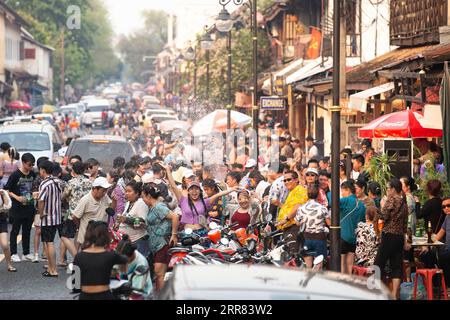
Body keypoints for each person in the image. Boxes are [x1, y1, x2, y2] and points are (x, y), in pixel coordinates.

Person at [162, 163, 235, 234]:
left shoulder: (205, 201)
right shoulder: (183, 200)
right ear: (188, 191)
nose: (194, 191)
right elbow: (174, 186)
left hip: (201, 232)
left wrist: (233, 189)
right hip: (186, 233)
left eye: (196, 189)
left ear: (200, 191)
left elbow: (218, 194)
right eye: (191, 189)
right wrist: (168, 170)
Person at [73, 221, 128, 300]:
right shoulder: (111, 255)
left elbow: (75, 285)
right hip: (104, 295)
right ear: (106, 236)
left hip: (85, 296)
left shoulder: (79, 257)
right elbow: (126, 260)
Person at [374, 178, 409, 300]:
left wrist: (381, 206)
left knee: (378, 263)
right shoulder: (404, 204)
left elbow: (383, 216)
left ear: (393, 189)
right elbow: (405, 226)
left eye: (388, 188)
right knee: (396, 266)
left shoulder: (391, 200)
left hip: (389, 235)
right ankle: (394, 295)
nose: (387, 191)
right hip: (399, 237)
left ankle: (376, 293)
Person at [142, 184, 179, 292]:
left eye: (143, 196)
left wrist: (174, 235)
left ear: (149, 196)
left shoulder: (159, 207)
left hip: (163, 243)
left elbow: (175, 217)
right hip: (156, 245)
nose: (143, 200)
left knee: (159, 272)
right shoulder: (152, 207)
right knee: (158, 274)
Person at [5, 153, 36, 263]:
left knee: (27, 230)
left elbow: (35, 187)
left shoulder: (33, 174)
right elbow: (6, 190)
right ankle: (13, 253)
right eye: (29, 165)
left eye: (32, 165)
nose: (31, 167)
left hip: (29, 207)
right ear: (23, 163)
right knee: (15, 231)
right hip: (17, 207)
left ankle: (26, 253)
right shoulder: (15, 175)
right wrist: (16, 197)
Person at [294, 184, 330, 269]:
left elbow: (297, 222)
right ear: (318, 194)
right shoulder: (322, 208)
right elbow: (329, 223)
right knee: (319, 265)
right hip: (319, 238)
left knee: (308, 265)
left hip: (306, 238)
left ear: (307, 194)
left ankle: (308, 279)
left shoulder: (301, 208)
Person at [61, 161, 92, 258]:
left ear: (73, 170)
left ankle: (77, 257)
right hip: (86, 213)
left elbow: (63, 196)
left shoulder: (71, 182)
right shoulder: (90, 182)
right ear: (84, 170)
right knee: (79, 236)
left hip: (73, 214)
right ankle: (75, 258)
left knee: (64, 236)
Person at [37, 160, 63, 277]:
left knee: (49, 243)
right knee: (50, 241)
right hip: (57, 216)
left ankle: (53, 270)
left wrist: (41, 213)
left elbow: (41, 200)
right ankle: (51, 268)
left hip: (47, 217)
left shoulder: (44, 183)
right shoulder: (58, 181)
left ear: (43, 170)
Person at [72, 177, 113, 246]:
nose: (105, 193)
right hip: (88, 238)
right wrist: (81, 227)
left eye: (106, 191)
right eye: (103, 191)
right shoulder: (85, 200)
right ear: (95, 189)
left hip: (100, 236)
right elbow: (75, 217)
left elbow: (111, 209)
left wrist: (115, 201)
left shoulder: (105, 197)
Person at [275, 171, 308, 253]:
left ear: (296, 180)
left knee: (292, 255)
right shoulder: (292, 191)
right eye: (284, 180)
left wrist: (286, 218)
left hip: (294, 227)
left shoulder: (300, 190)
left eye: (289, 179)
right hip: (288, 228)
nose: (286, 182)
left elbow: (298, 206)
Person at [116, 181, 149, 257]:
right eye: (125, 191)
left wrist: (125, 219)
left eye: (129, 191)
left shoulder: (141, 203)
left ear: (137, 193)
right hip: (129, 240)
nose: (126, 193)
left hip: (138, 240)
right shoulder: (128, 203)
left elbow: (141, 221)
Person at [339, 180, 366, 275]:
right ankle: (350, 280)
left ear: (347, 190)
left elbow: (332, 204)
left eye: (342, 191)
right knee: (350, 263)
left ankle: (342, 283)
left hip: (343, 235)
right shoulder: (362, 205)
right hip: (354, 238)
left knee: (342, 262)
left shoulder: (345, 200)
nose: (342, 194)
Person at [115, 235, 153, 299]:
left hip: (140, 295)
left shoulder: (141, 264)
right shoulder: (119, 255)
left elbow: (136, 291)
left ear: (131, 255)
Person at [433, 197, 450, 288]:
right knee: (428, 254)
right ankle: (437, 285)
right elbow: (440, 234)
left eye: (448, 205)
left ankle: (446, 285)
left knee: (443, 257)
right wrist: (428, 241)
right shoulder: (447, 218)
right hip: (447, 249)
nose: (446, 208)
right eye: (444, 207)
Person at [0, 189, 15, 271]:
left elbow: (8, 206)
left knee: (5, 245)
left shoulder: (3, 192)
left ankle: (9, 264)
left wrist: (4, 195)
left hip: (1, 219)